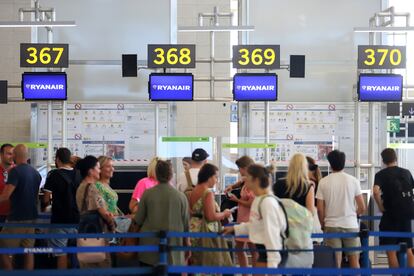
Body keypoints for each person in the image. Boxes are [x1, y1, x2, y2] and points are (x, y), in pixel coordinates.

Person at [223, 164, 287, 268]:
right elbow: (255, 225)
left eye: (247, 177)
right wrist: (234, 229)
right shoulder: (259, 200)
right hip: (265, 251)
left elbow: (272, 235)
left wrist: (273, 265)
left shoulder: (267, 203)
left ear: (256, 180)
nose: (244, 179)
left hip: (272, 254)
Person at [135, 160, 190, 272]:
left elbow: (138, 220)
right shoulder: (181, 197)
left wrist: (133, 241)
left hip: (149, 250)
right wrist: (187, 245)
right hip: (174, 251)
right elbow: (186, 225)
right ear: (171, 175)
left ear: (157, 174)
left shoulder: (148, 194)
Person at [316, 150, 366, 268]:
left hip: (331, 225)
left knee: (335, 262)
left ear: (330, 163)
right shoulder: (353, 181)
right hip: (350, 224)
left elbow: (320, 209)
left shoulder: (323, 182)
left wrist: (323, 224)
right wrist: (353, 214)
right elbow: (362, 207)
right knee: (354, 261)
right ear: (343, 163)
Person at [0, 144, 42, 270]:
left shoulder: (15, 171)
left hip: (17, 217)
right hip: (32, 217)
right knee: (28, 251)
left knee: (2, 249)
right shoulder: (36, 173)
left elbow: (5, 196)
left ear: (15, 156)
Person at [373, 148, 414, 268]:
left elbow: (375, 192)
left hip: (390, 215)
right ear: (395, 158)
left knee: (391, 251)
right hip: (406, 215)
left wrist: (381, 207)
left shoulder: (380, 174)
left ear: (383, 161)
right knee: (408, 249)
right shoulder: (406, 172)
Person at [42, 148, 81, 269]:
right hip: (77, 219)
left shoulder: (53, 174)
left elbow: (46, 199)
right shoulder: (78, 174)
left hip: (60, 220)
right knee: (76, 252)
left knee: (61, 254)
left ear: (57, 159)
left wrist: (45, 207)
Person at [273, 153, 314, 267]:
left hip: (281, 232)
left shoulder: (278, 185)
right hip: (300, 234)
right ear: (304, 167)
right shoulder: (308, 186)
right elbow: (310, 214)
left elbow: (274, 208)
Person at [189, 163, 232, 266]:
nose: (216, 180)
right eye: (216, 177)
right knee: (210, 262)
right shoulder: (207, 193)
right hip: (206, 232)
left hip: (194, 229)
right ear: (209, 177)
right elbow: (211, 216)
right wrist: (224, 214)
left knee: (198, 263)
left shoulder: (194, 190)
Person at [76, 156, 115, 268]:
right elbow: (104, 213)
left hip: (83, 234)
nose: (99, 171)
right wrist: (112, 224)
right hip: (98, 236)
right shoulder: (93, 188)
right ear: (90, 171)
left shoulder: (81, 187)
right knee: (103, 267)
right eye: (98, 168)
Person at [226, 156, 258, 272]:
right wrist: (232, 186)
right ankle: (245, 273)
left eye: (239, 168)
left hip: (250, 220)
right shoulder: (247, 179)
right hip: (242, 219)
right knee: (239, 248)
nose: (239, 171)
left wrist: (236, 200)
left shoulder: (254, 182)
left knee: (253, 249)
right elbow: (241, 181)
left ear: (245, 168)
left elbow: (252, 203)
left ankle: (255, 274)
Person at [0, 144, 14, 224]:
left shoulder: (18, 172)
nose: (12, 157)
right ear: (1, 155)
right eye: (9, 154)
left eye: (13, 154)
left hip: (14, 216)